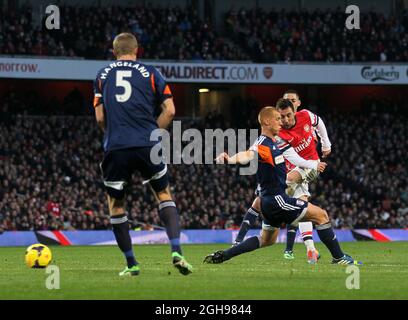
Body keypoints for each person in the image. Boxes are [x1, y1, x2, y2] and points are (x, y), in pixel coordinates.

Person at [205, 107, 360, 265]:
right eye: (277, 119)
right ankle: (339, 258)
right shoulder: (262, 144)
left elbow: (296, 159)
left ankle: (224, 255)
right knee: (321, 215)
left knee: (266, 240)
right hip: (277, 200)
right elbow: (248, 154)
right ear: (267, 122)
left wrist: (314, 164)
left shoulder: (277, 142)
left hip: (269, 202)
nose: (281, 123)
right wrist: (230, 159)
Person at [93, 33, 192, 276]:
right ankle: (176, 250)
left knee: (116, 205)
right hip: (147, 144)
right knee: (163, 193)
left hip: (116, 146)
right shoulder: (151, 73)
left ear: (113, 51)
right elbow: (170, 111)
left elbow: (100, 117)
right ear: (137, 50)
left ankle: (131, 264)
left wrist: (114, 134)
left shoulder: (102, 75)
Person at [232, 92, 331, 262]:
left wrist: (325, 143)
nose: (284, 120)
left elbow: (319, 122)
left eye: (287, 114)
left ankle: (243, 240)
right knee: (299, 204)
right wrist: (233, 158)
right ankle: (310, 249)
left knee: (283, 188)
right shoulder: (277, 134)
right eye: (280, 117)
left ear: (296, 105)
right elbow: (254, 152)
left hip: (308, 165)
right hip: (294, 167)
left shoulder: (305, 116)